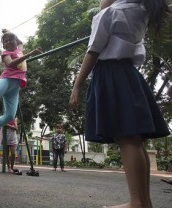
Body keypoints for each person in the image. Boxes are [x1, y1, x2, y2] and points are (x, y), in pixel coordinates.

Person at [69, 0, 170, 207]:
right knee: (135, 139)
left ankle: (136, 203)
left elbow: (93, 51)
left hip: (110, 74)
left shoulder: (110, 14)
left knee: (127, 139)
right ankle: (143, 202)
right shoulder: (142, 11)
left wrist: (77, 85)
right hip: (129, 73)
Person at [0, 29, 42, 140]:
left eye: (11, 40)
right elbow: (10, 64)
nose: (8, 42)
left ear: (16, 42)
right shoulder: (6, 53)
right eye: (5, 41)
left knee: (10, 116)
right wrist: (29, 54)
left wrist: (8, 32)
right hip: (7, 79)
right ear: (4, 46)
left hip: (15, 86)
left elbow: (20, 42)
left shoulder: (19, 49)